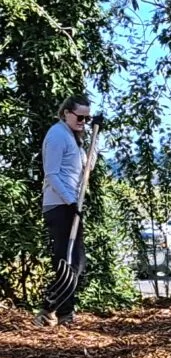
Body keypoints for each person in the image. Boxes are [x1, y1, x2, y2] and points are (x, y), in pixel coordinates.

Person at [34, 95, 92, 328]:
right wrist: (70, 202)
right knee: (69, 262)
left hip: (71, 205)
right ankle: (48, 309)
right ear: (66, 113)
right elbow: (52, 173)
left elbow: (87, 167)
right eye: (80, 117)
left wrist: (94, 138)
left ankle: (65, 314)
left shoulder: (74, 138)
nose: (83, 122)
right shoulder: (57, 135)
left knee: (75, 262)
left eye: (87, 118)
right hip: (60, 206)